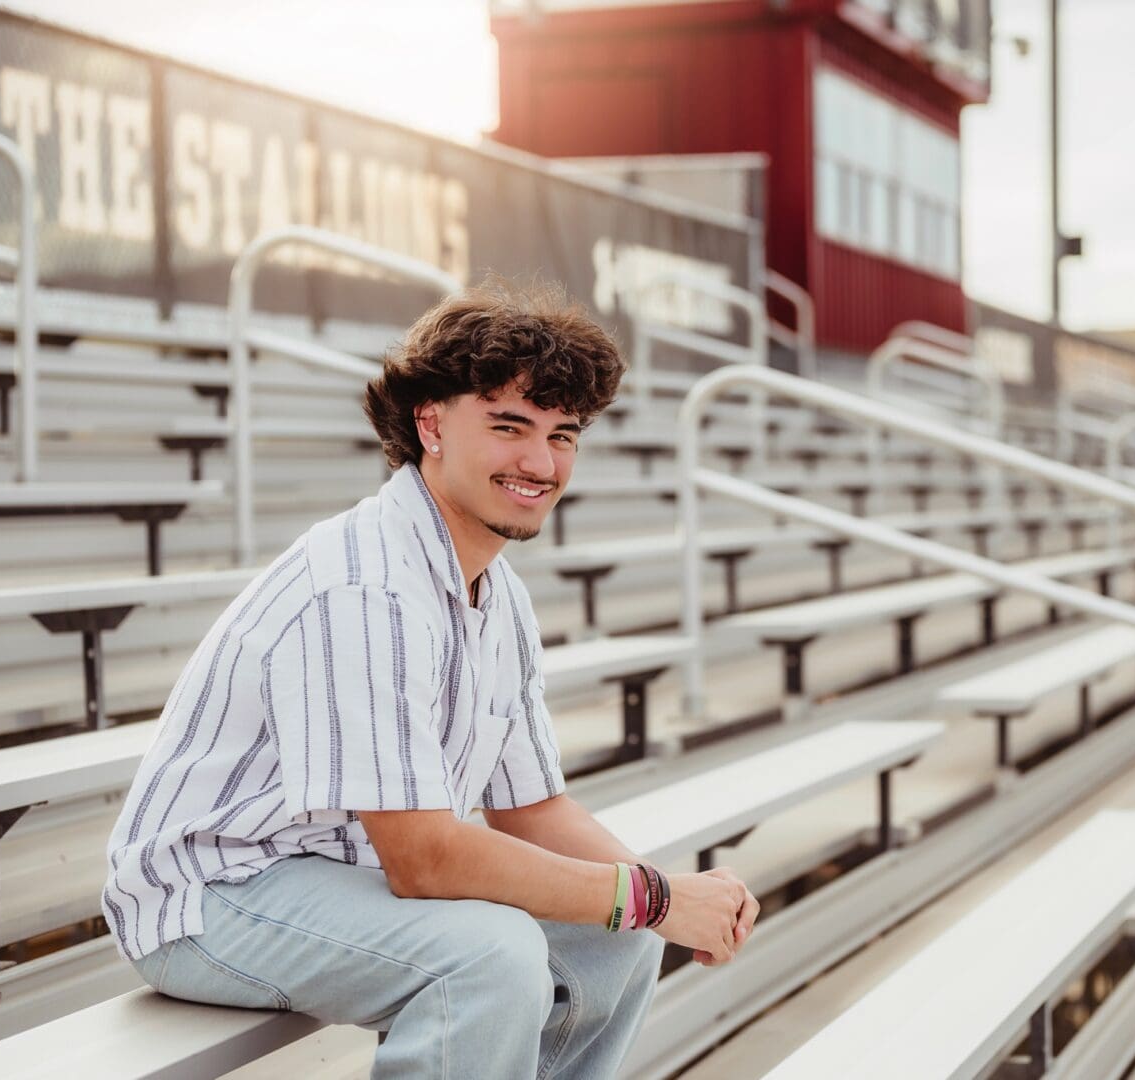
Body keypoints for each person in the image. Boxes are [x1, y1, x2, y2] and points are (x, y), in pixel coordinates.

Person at [101, 281, 760, 1079]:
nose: (539, 462)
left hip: (337, 876)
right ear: (430, 423)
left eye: (562, 436)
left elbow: (530, 805)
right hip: (212, 897)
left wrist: (664, 898)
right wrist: (653, 898)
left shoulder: (494, 585)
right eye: (509, 426)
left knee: (611, 942)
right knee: (488, 956)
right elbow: (424, 861)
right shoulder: (363, 585)